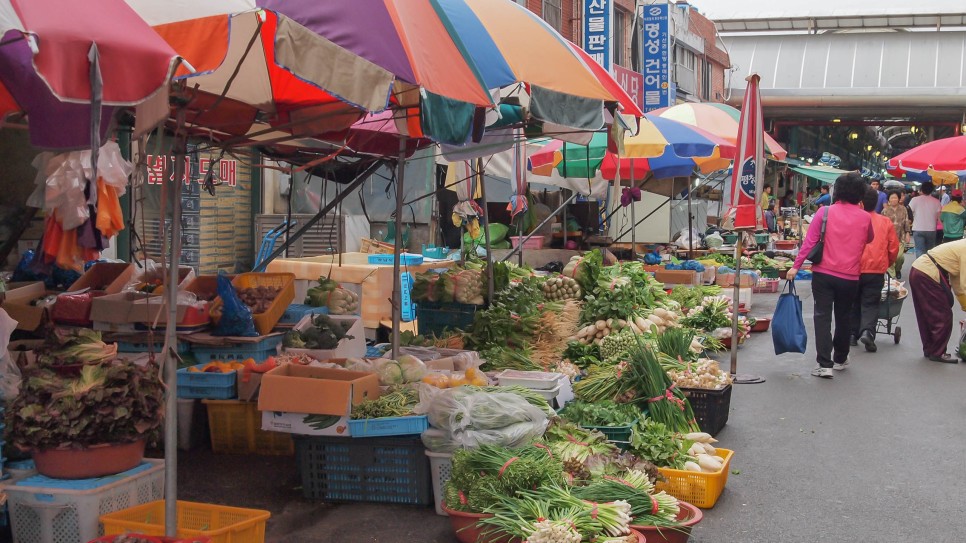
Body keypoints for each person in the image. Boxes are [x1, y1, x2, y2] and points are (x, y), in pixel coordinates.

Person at [787, 172, 874, 379]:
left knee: (822, 317)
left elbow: (809, 243)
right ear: (860, 194)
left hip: (823, 275)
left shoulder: (824, 212)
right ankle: (840, 358)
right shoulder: (865, 217)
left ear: (838, 190)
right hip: (850, 277)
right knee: (844, 317)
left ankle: (824, 364)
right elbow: (869, 238)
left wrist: (795, 267)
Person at [850, 187, 900, 353]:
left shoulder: (853, 219)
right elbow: (894, 248)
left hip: (853, 268)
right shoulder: (885, 221)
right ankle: (867, 332)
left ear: (860, 202)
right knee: (870, 303)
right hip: (876, 270)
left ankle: (851, 334)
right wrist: (886, 263)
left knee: (854, 302)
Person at [908, 238, 966, 363]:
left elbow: (958, 281)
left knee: (927, 314)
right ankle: (937, 352)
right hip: (927, 272)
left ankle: (931, 348)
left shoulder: (962, 246)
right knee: (943, 315)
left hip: (920, 270)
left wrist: (964, 305)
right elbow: (965, 283)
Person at [908, 182, 943, 258]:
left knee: (919, 250)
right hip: (931, 229)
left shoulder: (914, 200)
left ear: (921, 189)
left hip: (917, 228)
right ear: (932, 190)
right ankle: (928, 268)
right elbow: (939, 217)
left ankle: (920, 268)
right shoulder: (936, 201)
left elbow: (910, 212)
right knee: (930, 251)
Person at [882, 190, 911, 277]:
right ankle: (892, 276)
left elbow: (906, 222)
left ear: (899, 199)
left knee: (899, 257)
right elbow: (882, 225)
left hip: (900, 237)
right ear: (889, 200)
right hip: (888, 238)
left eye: (895, 198)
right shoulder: (885, 211)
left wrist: (907, 233)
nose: (894, 199)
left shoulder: (903, 209)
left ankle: (897, 269)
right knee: (889, 257)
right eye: (892, 198)